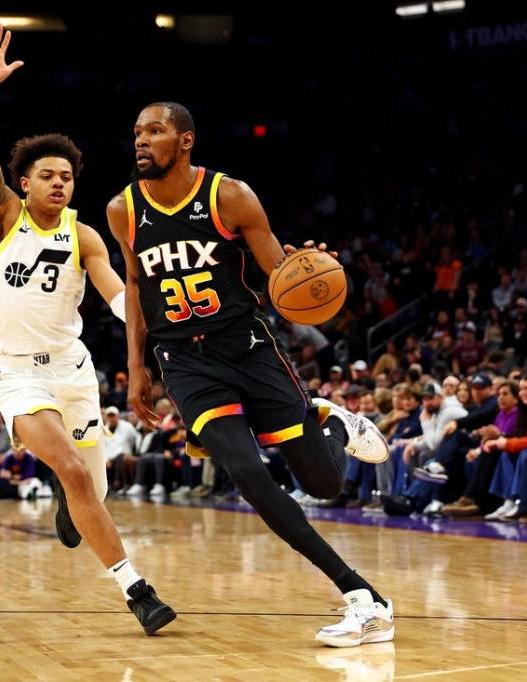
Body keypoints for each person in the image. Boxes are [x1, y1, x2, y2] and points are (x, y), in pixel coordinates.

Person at [105, 101, 394, 647]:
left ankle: (333, 425)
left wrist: (306, 269)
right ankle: (363, 597)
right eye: (137, 132)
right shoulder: (123, 209)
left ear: (185, 140)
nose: (141, 141)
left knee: (324, 485)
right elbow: (138, 288)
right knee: (247, 473)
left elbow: (278, 272)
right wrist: (135, 365)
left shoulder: (229, 196)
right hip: (185, 361)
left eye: (155, 131)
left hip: (249, 348)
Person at [0, 25, 173, 634]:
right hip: (15, 375)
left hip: (72, 370)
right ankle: (138, 590)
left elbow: (116, 292)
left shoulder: (82, 235)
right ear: (24, 182)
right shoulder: (2, 215)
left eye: (67, 176)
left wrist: (149, 324)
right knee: (76, 472)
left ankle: (71, 497)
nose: (59, 182)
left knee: (92, 486)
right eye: (46, 175)